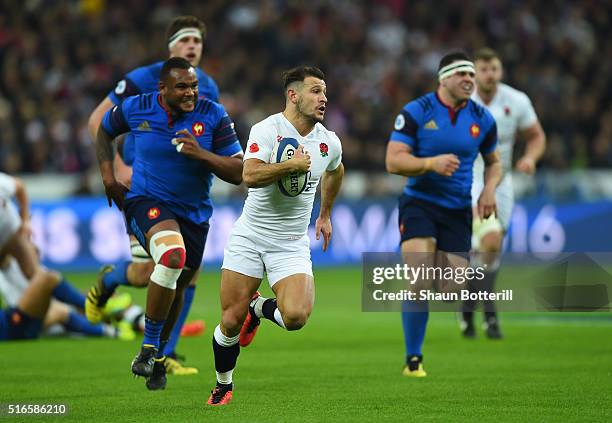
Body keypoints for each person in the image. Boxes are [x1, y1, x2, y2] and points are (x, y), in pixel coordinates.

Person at [95, 57, 243, 391]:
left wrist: (201, 155)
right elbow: (103, 130)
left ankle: (159, 355)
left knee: (176, 286)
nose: (191, 92)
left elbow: (239, 172)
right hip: (147, 202)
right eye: (182, 87)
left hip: (194, 215)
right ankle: (148, 348)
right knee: (171, 257)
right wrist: (109, 178)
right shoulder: (137, 107)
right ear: (162, 89)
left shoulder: (213, 115)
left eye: (193, 86)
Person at [86, 15, 219, 375]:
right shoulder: (143, 79)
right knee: (153, 271)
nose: (192, 46)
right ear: (171, 48)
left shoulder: (208, 87)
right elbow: (98, 120)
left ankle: (166, 352)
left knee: (186, 273)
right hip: (143, 189)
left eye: (197, 41)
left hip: (187, 199)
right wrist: (116, 167)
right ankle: (112, 280)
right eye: (184, 40)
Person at [206, 66, 344, 405]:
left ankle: (261, 309)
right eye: (315, 91)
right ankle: (224, 384)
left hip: (291, 243)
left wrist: (325, 213)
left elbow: (336, 170)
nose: (323, 97)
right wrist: (291, 166)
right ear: (293, 95)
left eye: (325, 91)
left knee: (296, 317)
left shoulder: (328, 141)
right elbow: (249, 174)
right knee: (229, 321)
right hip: (250, 237)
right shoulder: (268, 129)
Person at [385, 51, 502, 377]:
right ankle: (413, 360)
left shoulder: (482, 118)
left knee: (451, 289)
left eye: (471, 75)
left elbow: (494, 161)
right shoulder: (416, 112)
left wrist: (489, 189)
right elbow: (393, 161)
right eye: (462, 74)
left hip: (457, 209)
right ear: (444, 79)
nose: (469, 80)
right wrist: (429, 164)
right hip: (419, 202)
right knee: (419, 280)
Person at [460, 48, 546, 339]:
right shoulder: (461, 102)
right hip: (469, 179)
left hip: (503, 180)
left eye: (494, 69)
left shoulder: (516, 100)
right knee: (490, 239)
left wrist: (531, 158)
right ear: (474, 73)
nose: (489, 74)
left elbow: (536, 136)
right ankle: (490, 313)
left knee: (489, 250)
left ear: (500, 71)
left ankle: (468, 305)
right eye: (483, 69)